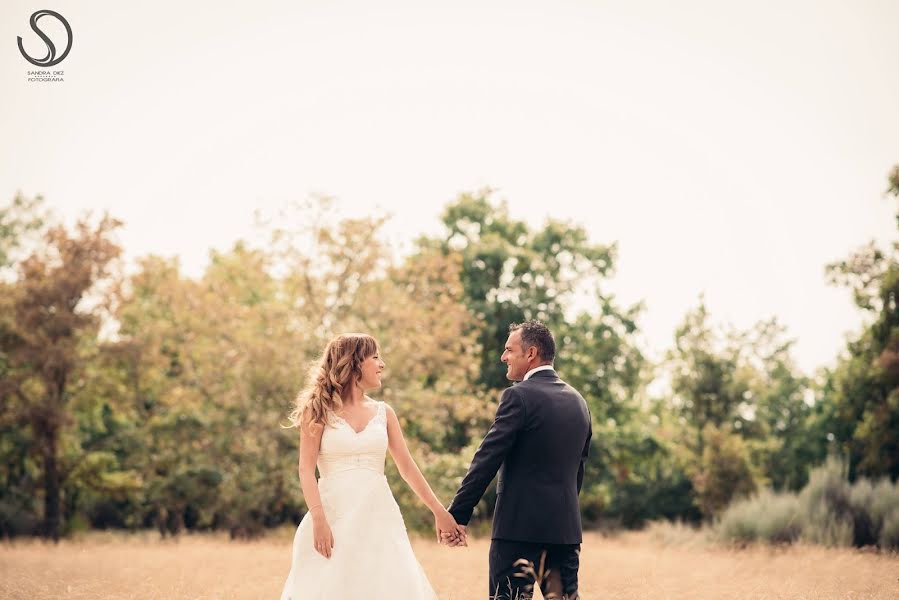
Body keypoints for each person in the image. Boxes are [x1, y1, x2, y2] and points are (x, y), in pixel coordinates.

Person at [279, 333, 464, 599]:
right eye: (375, 357)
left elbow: (407, 468)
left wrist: (439, 511)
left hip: (379, 519)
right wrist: (319, 519)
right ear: (354, 362)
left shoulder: (384, 412)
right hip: (333, 518)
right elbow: (305, 470)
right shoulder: (318, 409)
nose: (382, 364)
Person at [444, 320, 592, 600]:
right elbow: (578, 472)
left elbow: (487, 458)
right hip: (565, 532)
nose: (503, 357)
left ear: (531, 353)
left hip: (517, 531)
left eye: (509, 350)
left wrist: (458, 514)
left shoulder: (518, 396)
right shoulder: (579, 402)